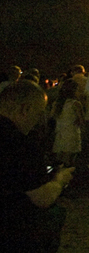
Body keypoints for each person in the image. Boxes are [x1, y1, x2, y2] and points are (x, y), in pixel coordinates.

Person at [1, 81, 75, 253]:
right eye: (39, 113)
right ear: (24, 110)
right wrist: (59, 180)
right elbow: (42, 197)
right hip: (12, 232)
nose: (39, 121)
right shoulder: (18, 143)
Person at [50, 79, 85, 167]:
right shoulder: (75, 104)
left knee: (60, 158)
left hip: (60, 132)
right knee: (69, 159)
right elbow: (82, 120)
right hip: (72, 132)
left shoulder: (57, 103)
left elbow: (51, 116)